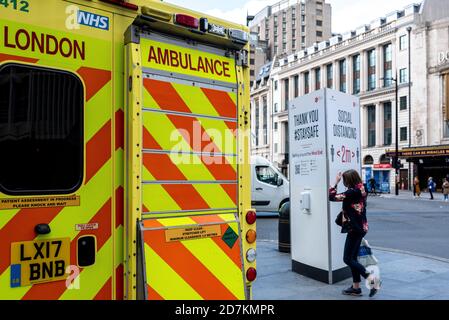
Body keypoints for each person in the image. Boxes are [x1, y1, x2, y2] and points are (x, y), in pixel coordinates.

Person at [329, 170, 376, 297]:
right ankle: (356, 288)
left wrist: (335, 182)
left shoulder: (352, 192)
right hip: (361, 227)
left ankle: (372, 280)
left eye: (345, 180)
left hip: (355, 228)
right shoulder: (361, 189)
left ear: (349, 180)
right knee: (353, 258)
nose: (344, 183)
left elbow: (332, 197)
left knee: (347, 258)